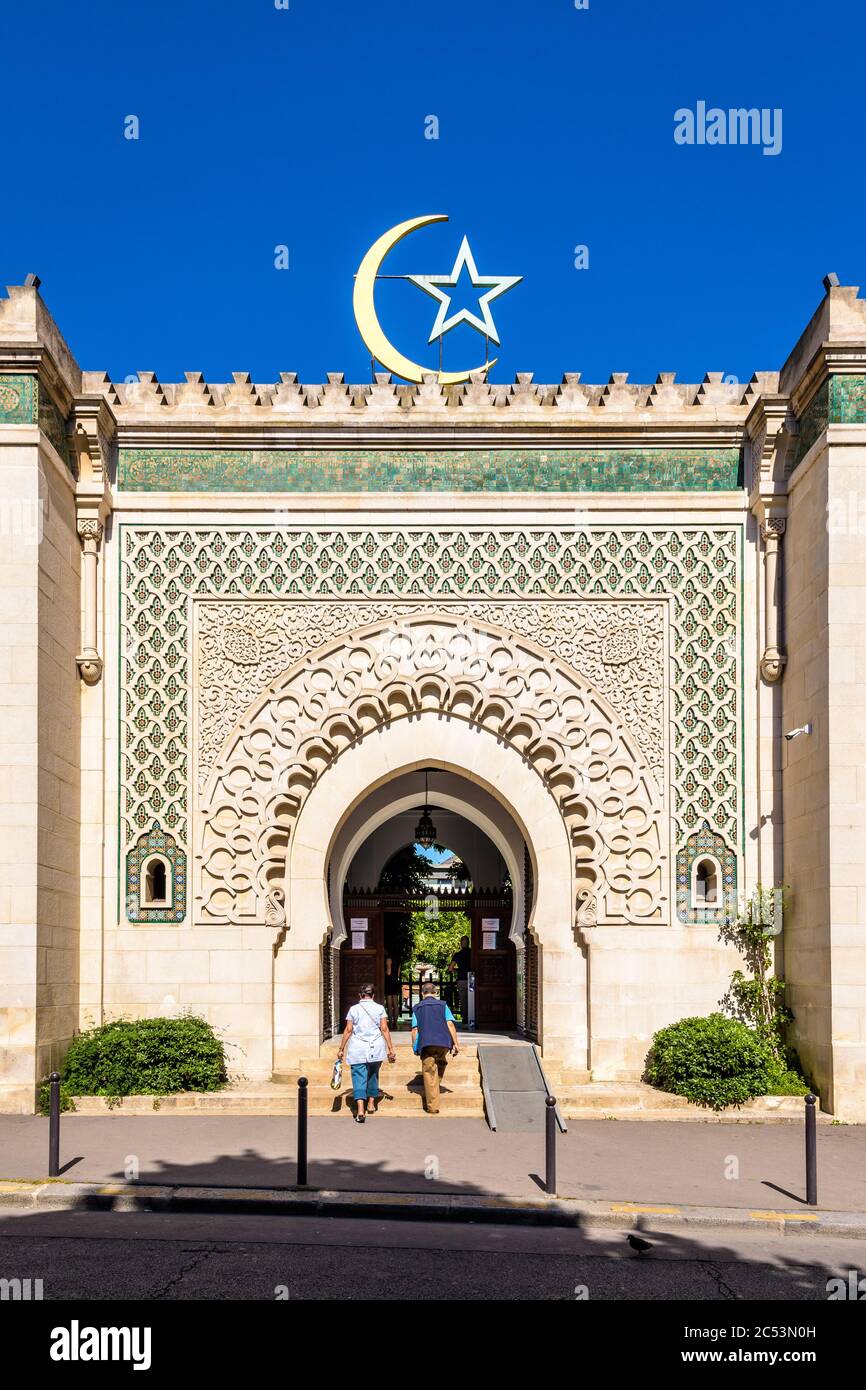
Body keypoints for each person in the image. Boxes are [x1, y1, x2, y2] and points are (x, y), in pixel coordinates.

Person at [337, 984, 396, 1123]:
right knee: (373, 1075)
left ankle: (360, 1110)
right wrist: (390, 1048)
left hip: (358, 1047)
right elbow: (384, 1028)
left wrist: (341, 1048)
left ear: (360, 995)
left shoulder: (353, 1009)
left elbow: (348, 1030)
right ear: (373, 995)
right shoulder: (380, 1008)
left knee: (358, 1077)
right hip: (376, 1046)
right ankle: (371, 1104)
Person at [411, 981, 460, 1115]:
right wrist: (456, 1043)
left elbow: (414, 1029)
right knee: (442, 1062)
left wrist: (415, 1046)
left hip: (426, 1043)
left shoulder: (417, 1007)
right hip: (443, 1043)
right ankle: (434, 1088)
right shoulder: (443, 1005)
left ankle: (432, 1106)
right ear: (436, 992)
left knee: (428, 1071)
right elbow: (450, 1024)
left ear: (422, 993)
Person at [449, 934, 472, 1023]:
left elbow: (450, 968)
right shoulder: (473, 953)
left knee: (463, 1000)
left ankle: (465, 1018)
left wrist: (457, 971)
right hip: (471, 979)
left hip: (461, 979)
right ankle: (472, 1017)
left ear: (461, 943)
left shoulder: (457, 954)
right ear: (468, 943)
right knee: (472, 999)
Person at [384, 955, 400, 1028]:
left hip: (389, 983)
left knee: (390, 1005)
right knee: (396, 1004)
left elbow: (389, 972)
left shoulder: (388, 959)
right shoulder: (398, 962)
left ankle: (390, 1023)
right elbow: (398, 974)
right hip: (395, 983)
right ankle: (395, 1023)